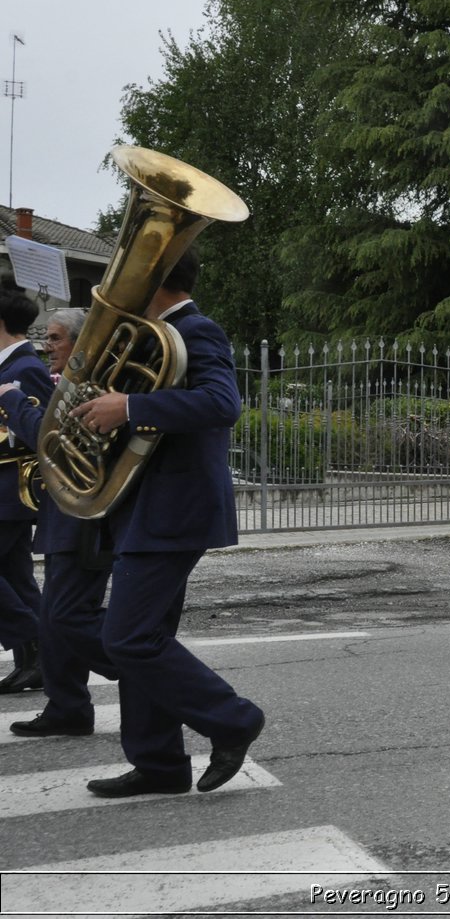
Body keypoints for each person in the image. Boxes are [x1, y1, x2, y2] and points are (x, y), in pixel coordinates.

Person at [55, 251, 265, 796]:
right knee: (146, 635)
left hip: (174, 508)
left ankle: (233, 719)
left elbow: (222, 404)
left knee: (126, 639)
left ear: (151, 278)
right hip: (142, 505)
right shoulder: (153, 334)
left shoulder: (196, 330)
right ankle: (159, 763)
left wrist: (126, 408)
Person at [3, 308, 115, 735]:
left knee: (64, 616)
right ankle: (68, 708)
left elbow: (53, 438)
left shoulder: (89, 386)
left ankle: (144, 664)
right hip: (63, 511)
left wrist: (13, 402)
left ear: (79, 344)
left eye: (54, 338)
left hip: (81, 512)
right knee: (53, 617)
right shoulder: (69, 384)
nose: (46, 346)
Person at [0, 286, 52, 695]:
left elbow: (39, 431)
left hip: (10, 492)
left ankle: (46, 645)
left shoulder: (26, 366)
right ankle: (35, 663)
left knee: (15, 580)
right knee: (17, 580)